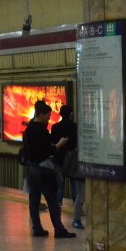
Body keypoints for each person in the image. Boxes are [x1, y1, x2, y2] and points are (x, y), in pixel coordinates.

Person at [23, 100, 76, 239]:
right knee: (52, 200)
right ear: (41, 114)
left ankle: (37, 228)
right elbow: (49, 151)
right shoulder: (42, 130)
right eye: (47, 115)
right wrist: (59, 144)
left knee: (33, 200)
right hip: (44, 170)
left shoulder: (28, 130)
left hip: (31, 169)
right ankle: (59, 230)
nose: (49, 118)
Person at [51, 104, 84, 229]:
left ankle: (57, 210)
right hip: (72, 161)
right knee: (76, 187)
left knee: (59, 186)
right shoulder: (75, 127)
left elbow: (53, 141)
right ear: (71, 114)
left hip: (58, 160)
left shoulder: (55, 127)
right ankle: (77, 212)